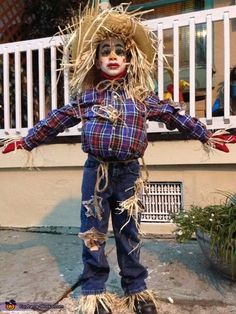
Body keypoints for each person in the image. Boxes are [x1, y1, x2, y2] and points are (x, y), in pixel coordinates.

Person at [2, 1, 236, 313]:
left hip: (128, 175)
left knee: (129, 232)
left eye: (119, 51)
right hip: (96, 172)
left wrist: (206, 134)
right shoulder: (87, 98)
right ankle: (94, 291)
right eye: (105, 51)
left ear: (129, 59)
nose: (112, 56)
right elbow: (58, 118)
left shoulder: (141, 98)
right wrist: (26, 140)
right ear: (96, 60)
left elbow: (173, 114)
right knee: (93, 233)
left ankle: (136, 289)